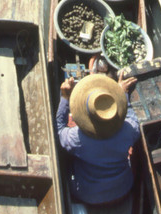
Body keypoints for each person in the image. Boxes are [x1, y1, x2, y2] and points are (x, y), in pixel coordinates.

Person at [56, 71, 139, 205]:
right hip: (122, 190)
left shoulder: (76, 138)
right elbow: (131, 117)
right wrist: (122, 94)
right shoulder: (129, 131)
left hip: (86, 195)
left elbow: (60, 129)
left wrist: (65, 98)